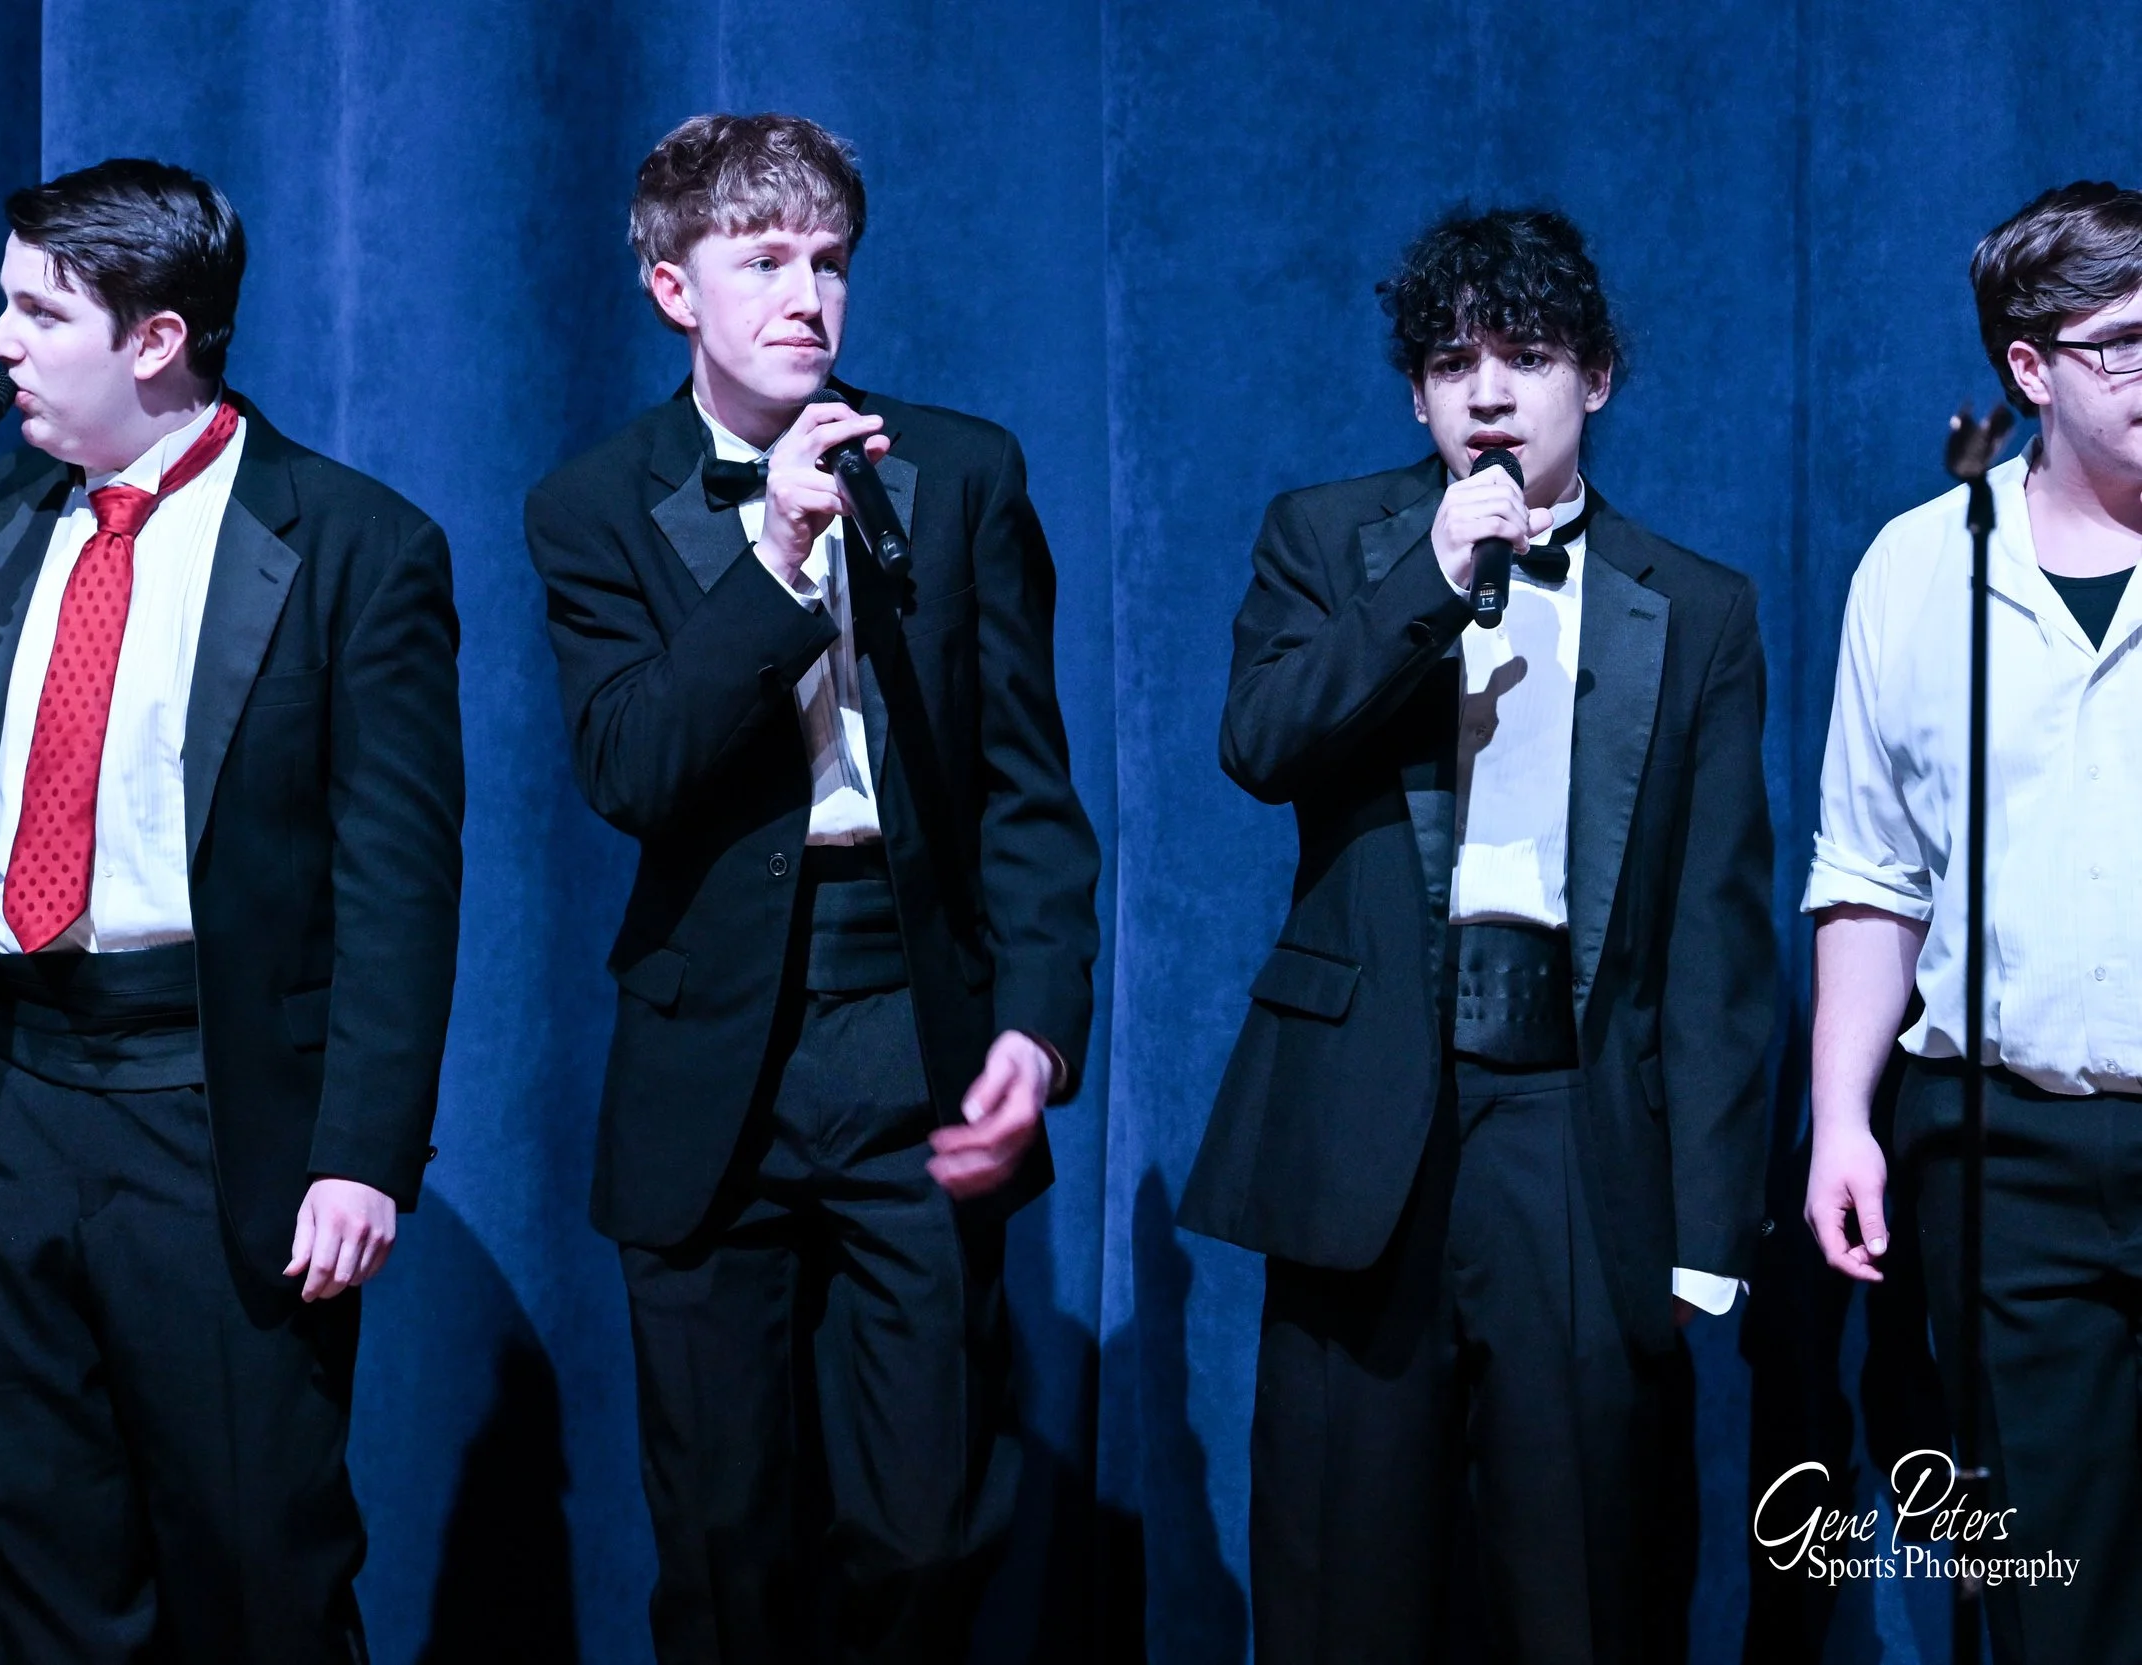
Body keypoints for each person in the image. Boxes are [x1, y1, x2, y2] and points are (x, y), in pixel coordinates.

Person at [0, 158, 463, 1663]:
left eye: (40, 312)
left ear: (155, 339)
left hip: (209, 1109)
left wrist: (361, 1153)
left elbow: (401, 884)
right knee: (25, 1571)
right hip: (0, 1108)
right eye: (5, 303)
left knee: (257, 1570)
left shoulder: (355, 546)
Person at [525, 112, 1100, 1664]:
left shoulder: (959, 474)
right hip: (714, 1057)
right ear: (672, 290)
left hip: (906, 1029)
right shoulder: (594, 504)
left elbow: (1027, 790)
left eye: (830, 261)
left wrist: (1036, 1026)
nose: (808, 296)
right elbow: (632, 766)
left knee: (923, 1535)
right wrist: (775, 555)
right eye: (765, 260)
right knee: (727, 1554)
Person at [1179, 206, 1776, 1661]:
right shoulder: (1328, 539)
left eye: (1529, 357)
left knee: (1584, 1577)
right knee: (1343, 1576)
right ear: (1417, 396)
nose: (1490, 394)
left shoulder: (1697, 608)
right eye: (1455, 365)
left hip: (1576, 1121)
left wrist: (1707, 1227)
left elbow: (1716, 936)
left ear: (1598, 379)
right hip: (1368, 1109)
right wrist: (1429, 585)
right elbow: (1261, 742)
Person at [1804, 179, 2142, 1665]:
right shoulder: (1917, 568)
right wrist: (1840, 1120)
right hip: (2008, 1153)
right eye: (2125, 344)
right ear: (2030, 369)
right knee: (2054, 1606)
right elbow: (1872, 876)